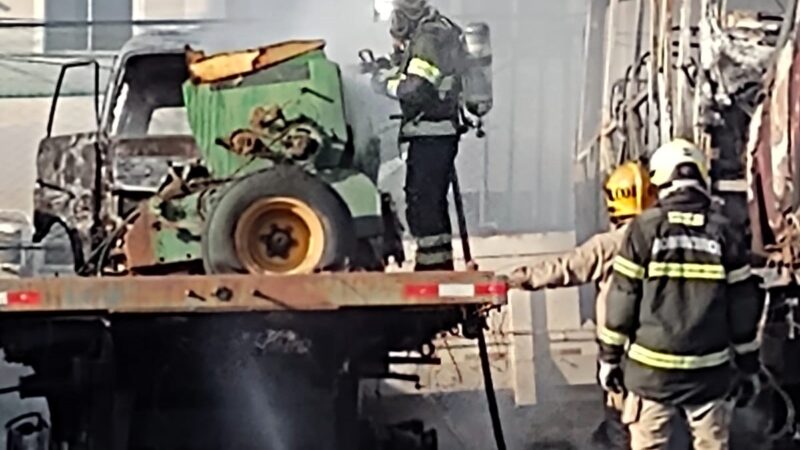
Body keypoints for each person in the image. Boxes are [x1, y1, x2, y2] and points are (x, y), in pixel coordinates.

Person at [598, 138, 763, 450]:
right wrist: (748, 366)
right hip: (708, 375)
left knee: (649, 445)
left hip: (652, 376)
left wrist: (609, 358)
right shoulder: (724, 233)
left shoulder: (644, 231)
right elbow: (743, 308)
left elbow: (622, 298)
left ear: (660, 180)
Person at [508, 161, 656, 449]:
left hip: (623, 354)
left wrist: (521, 277)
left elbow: (567, 267)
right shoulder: (665, 239)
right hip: (662, 348)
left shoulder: (610, 245)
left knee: (622, 424)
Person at [371, 0, 465, 271]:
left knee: (425, 204)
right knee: (425, 201)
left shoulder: (428, 38)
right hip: (432, 131)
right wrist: (390, 67)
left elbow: (417, 88)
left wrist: (382, 84)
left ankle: (435, 269)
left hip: (433, 132)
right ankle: (433, 266)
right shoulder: (431, 32)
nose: (394, 27)